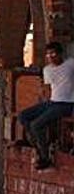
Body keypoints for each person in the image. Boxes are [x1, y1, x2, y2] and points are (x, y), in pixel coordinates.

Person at [18, 41, 74, 169]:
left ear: (61, 54)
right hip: (52, 102)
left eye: (53, 53)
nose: (50, 57)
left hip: (66, 104)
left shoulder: (70, 64)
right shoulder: (47, 70)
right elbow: (48, 89)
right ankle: (37, 143)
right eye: (48, 54)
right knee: (23, 116)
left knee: (36, 124)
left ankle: (45, 157)